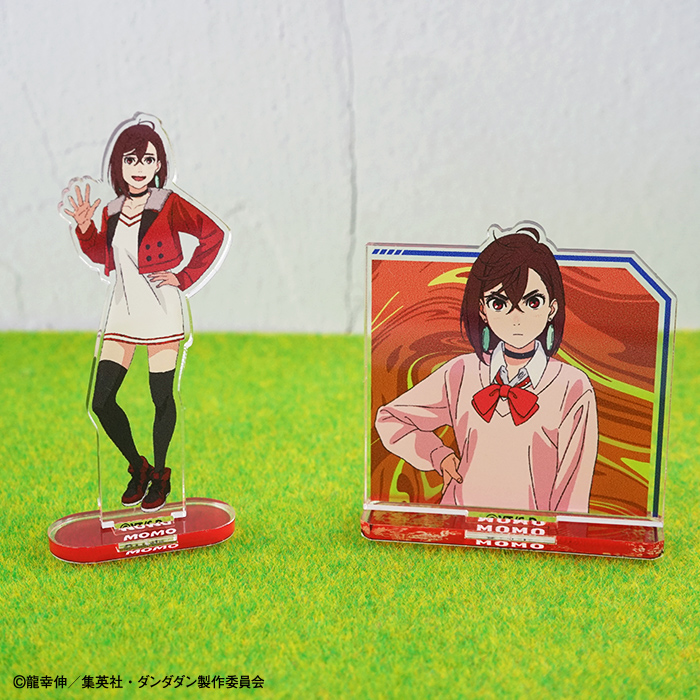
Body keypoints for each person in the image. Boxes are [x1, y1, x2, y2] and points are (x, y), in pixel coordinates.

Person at [375, 226, 598, 513]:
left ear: (552, 308)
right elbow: (391, 418)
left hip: (532, 529)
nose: (516, 318)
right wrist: (437, 455)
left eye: (532, 302)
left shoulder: (573, 386)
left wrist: (560, 532)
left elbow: (574, 485)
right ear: (482, 309)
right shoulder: (461, 372)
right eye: (499, 303)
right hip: (459, 521)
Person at [64, 120, 226, 512]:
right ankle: (138, 466)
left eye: (148, 159)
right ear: (118, 165)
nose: (140, 167)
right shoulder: (112, 209)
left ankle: (161, 477)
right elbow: (103, 255)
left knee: (161, 397)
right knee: (102, 400)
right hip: (123, 310)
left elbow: (213, 235)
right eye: (131, 159)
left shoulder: (168, 204)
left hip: (160, 308)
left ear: (159, 165)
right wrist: (85, 228)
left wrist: (183, 277)